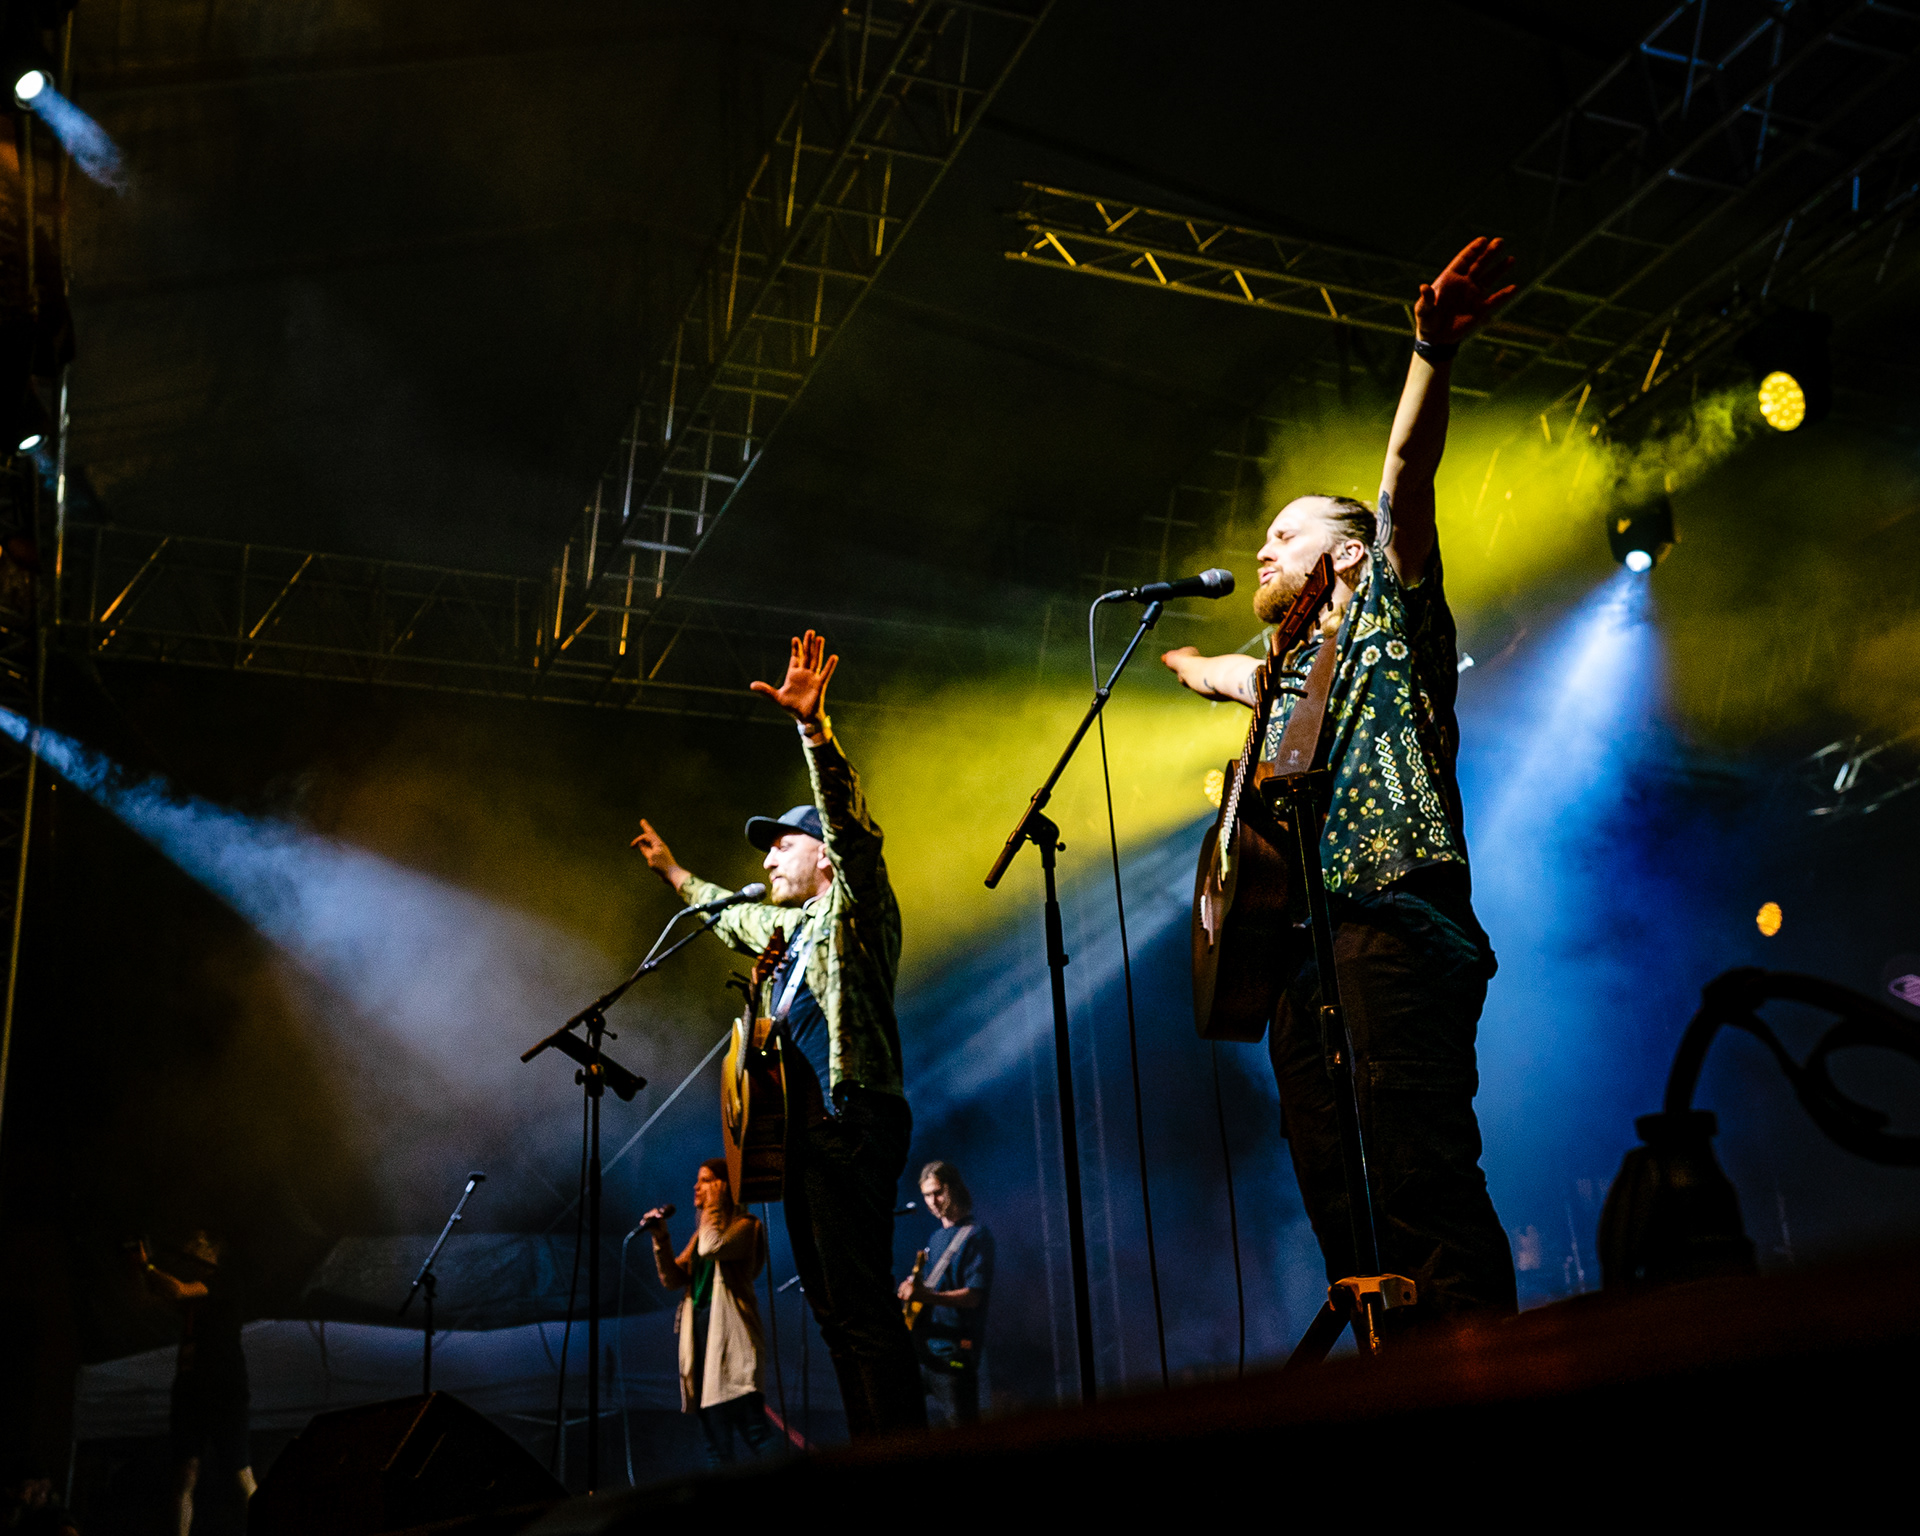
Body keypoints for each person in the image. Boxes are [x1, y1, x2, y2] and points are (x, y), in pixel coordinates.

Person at [1161, 238, 1520, 1325]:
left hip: (1394, 923)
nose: (1262, 551)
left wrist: (1430, 352)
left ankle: (1482, 1368)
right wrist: (1190, 664)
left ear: (1350, 555)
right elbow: (1234, 675)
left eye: (1286, 535)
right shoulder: (1284, 675)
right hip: (1299, 956)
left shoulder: (1388, 619)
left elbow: (1404, 477)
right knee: (1338, 1204)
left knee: (1419, 1179)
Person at [632, 630, 925, 1436]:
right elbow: (731, 917)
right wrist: (674, 875)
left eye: (781, 845)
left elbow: (854, 831)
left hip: (850, 1119)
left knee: (861, 1306)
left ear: (823, 856)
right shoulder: (787, 932)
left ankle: (908, 1459)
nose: (766, 860)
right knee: (831, 1314)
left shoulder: (855, 907)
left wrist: (813, 731)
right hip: (801, 1139)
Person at [641, 1160, 781, 1465]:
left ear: (722, 1187)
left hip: (732, 1349)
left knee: (757, 1434)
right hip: (703, 1353)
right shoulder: (700, 1236)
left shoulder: (746, 1226)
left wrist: (714, 1207)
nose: (696, 1187)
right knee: (716, 1450)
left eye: (705, 1180)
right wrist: (661, 1238)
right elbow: (672, 1279)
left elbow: (713, 1247)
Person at [133, 1231, 254, 1536]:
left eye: (200, 1245)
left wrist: (148, 1267)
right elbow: (148, 1299)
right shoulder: (196, 1297)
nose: (192, 1250)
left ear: (214, 1252)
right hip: (190, 1390)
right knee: (185, 1475)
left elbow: (177, 1290)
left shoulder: (224, 1281)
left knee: (240, 1474)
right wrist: (141, 1269)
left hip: (224, 1389)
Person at [897, 1161, 992, 1427]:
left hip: (954, 1356)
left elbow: (973, 1297)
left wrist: (924, 1296)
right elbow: (930, 1288)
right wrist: (911, 1286)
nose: (932, 1201)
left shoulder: (975, 1235)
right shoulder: (936, 1238)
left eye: (938, 1192)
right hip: (924, 1353)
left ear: (954, 1188)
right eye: (927, 1195)